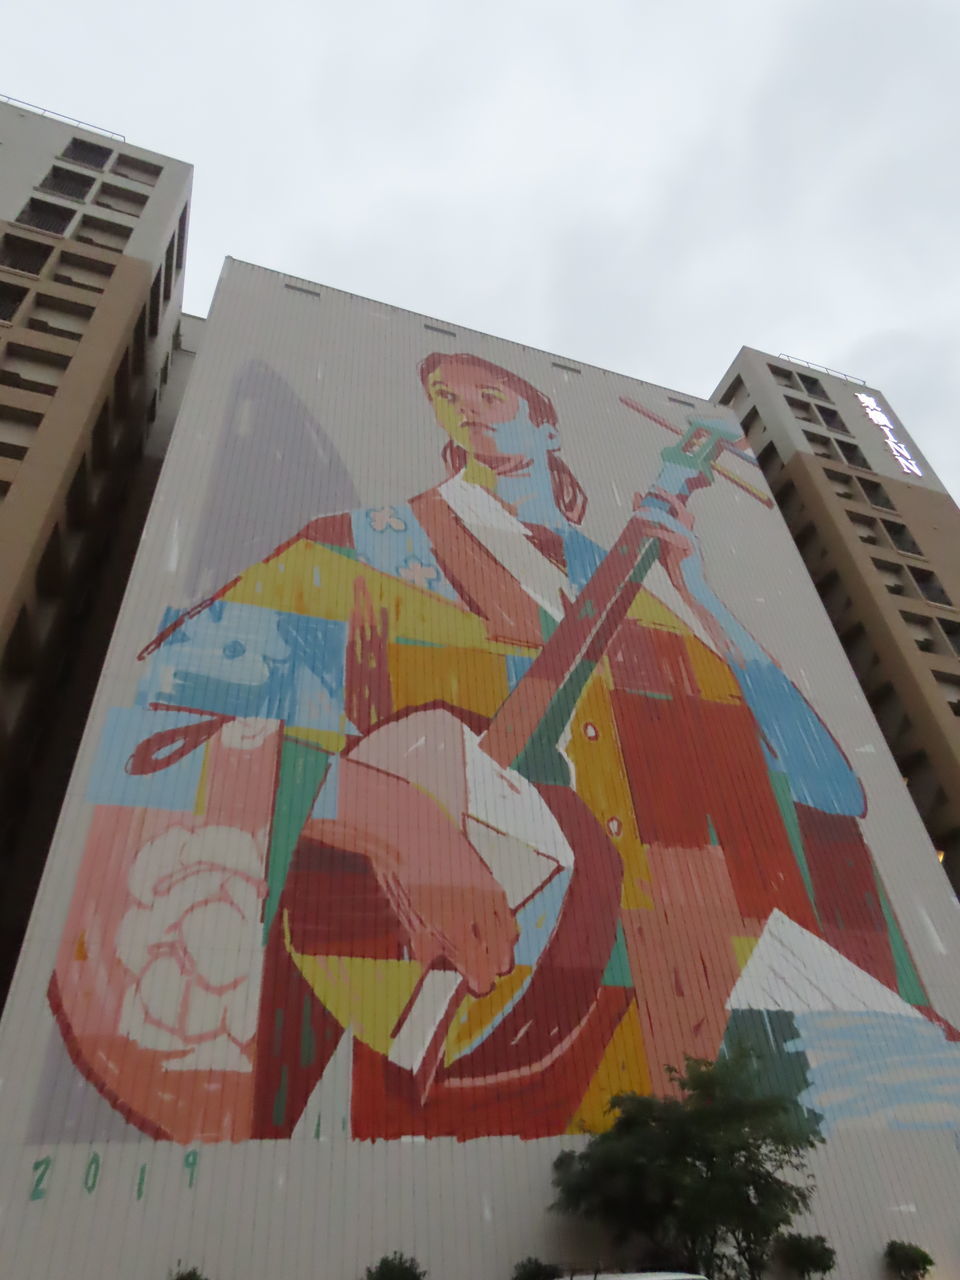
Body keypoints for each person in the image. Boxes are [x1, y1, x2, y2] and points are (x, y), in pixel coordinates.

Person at [49, 353, 914, 1144]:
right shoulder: (353, 556)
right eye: (445, 399)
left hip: (691, 1031)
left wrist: (701, 596)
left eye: (489, 394)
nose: (465, 412)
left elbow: (828, 794)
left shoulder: (655, 608)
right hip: (453, 1017)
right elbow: (148, 741)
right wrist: (380, 811)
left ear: (547, 426)